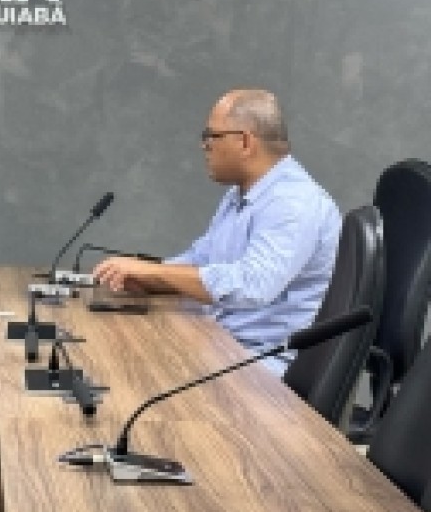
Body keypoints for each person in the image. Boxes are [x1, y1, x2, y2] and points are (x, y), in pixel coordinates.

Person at [92, 89, 342, 355]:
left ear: (245, 142)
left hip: (260, 363)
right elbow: (201, 260)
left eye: (210, 135)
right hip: (223, 344)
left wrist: (153, 272)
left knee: (126, 361)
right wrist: (143, 277)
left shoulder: (293, 202)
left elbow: (253, 286)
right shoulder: (239, 194)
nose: (204, 145)